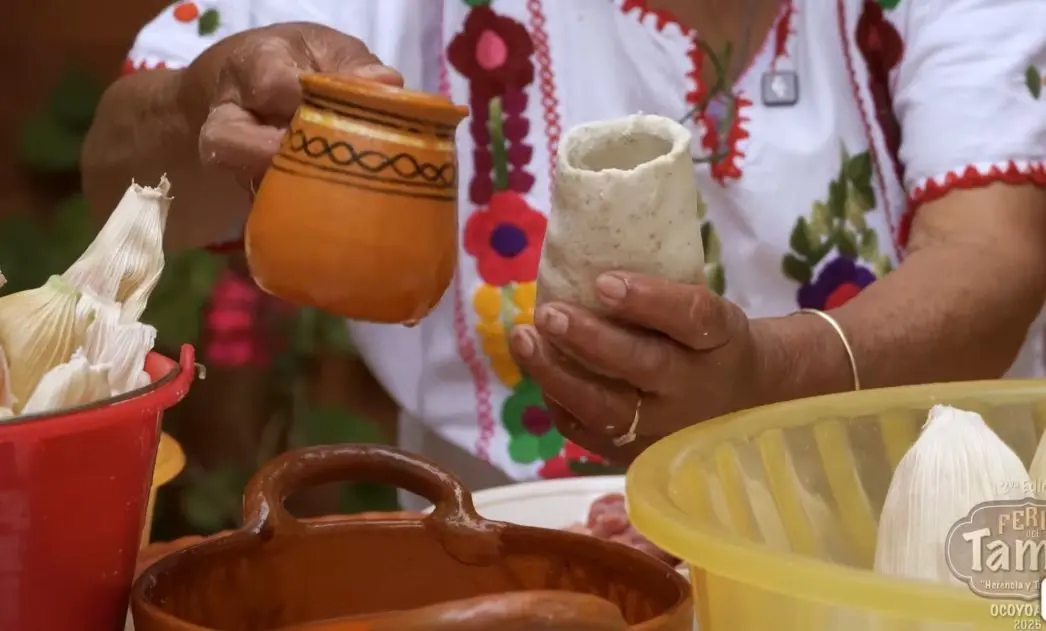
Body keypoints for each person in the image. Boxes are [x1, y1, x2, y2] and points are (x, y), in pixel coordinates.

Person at [83, 0, 1046, 507]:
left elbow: (995, 254)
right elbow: (117, 173)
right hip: (504, 548)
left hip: (890, 532)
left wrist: (777, 375)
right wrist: (204, 98)